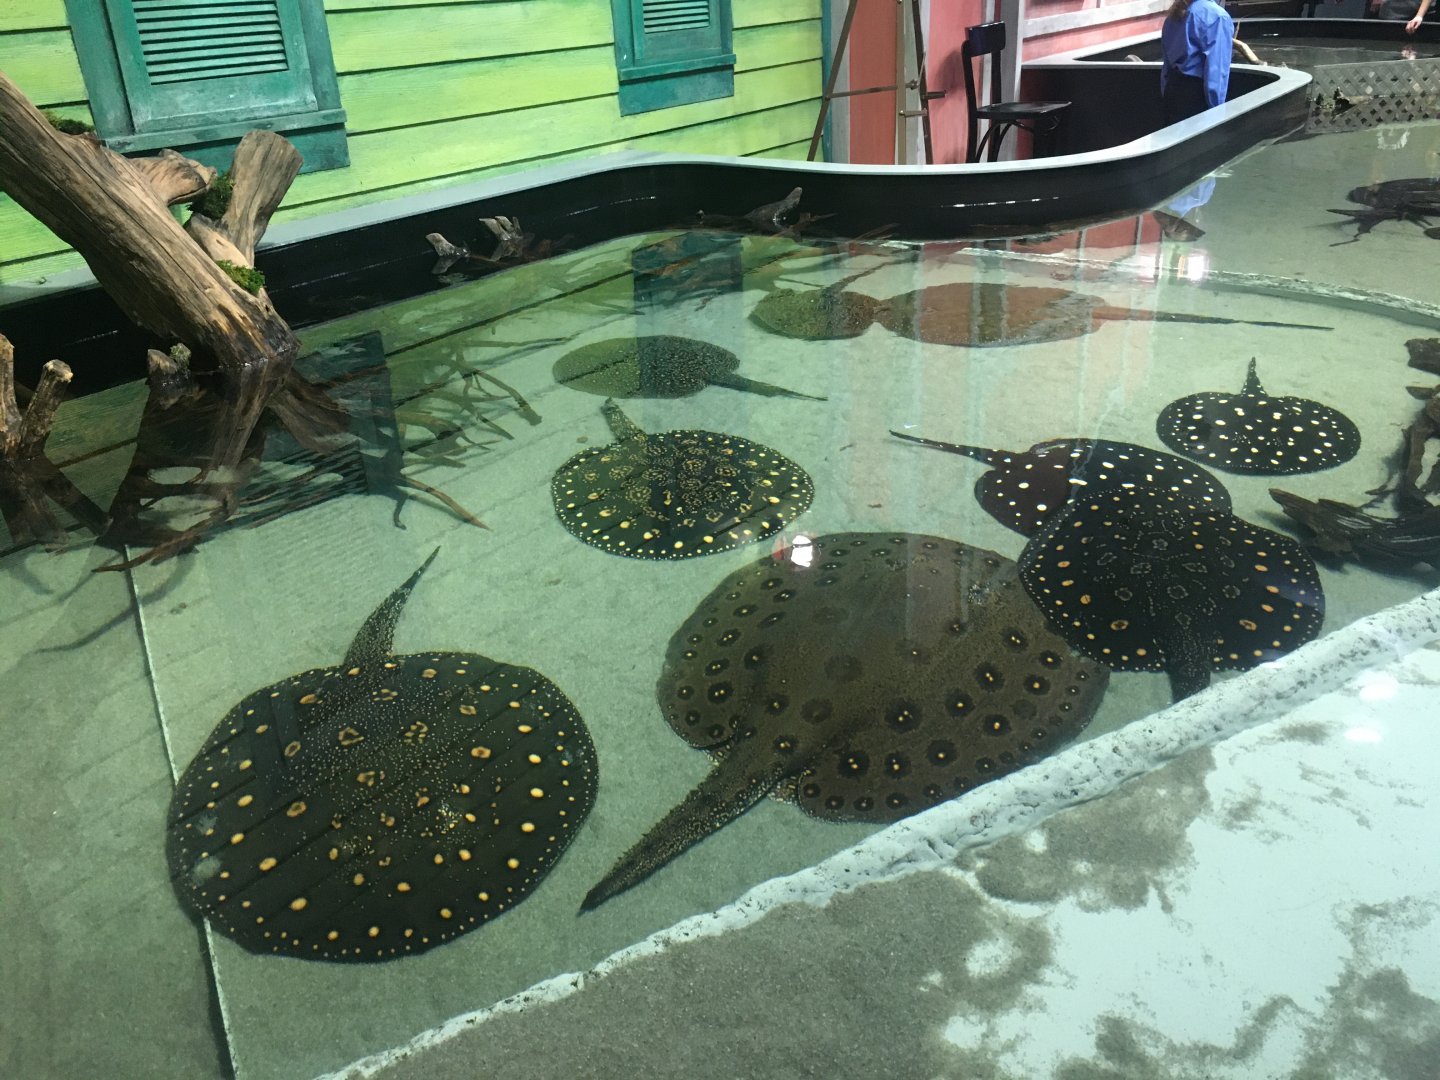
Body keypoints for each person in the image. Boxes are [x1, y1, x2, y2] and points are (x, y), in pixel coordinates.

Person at [1160, 0, 1235, 125]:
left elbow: (1166, 68)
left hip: (1172, 92)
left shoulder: (1172, 17)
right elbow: (1216, 72)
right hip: (1197, 96)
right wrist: (1217, 113)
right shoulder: (1218, 17)